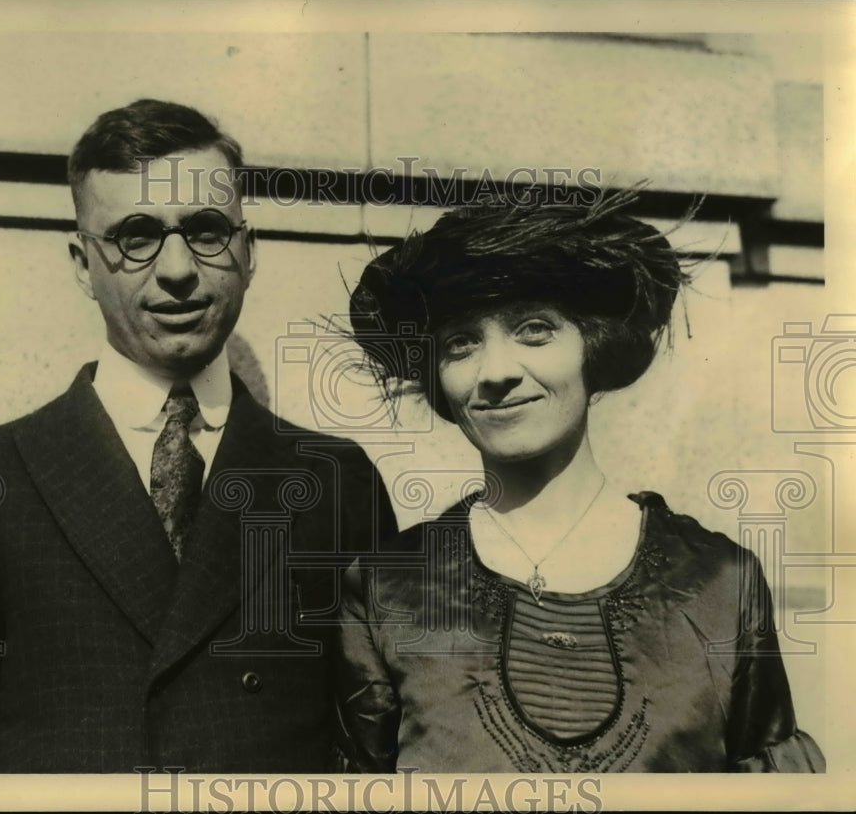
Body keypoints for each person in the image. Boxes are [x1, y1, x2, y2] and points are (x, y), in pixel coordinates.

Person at [0, 99, 396, 773]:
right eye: (137, 235)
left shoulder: (337, 478)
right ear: (81, 264)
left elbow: (384, 748)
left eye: (207, 230)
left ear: (248, 253)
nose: (179, 268)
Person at [334, 190, 825, 772]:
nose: (495, 372)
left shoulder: (719, 581)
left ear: (595, 349)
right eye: (460, 344)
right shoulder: (389, 586)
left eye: (535, 331)